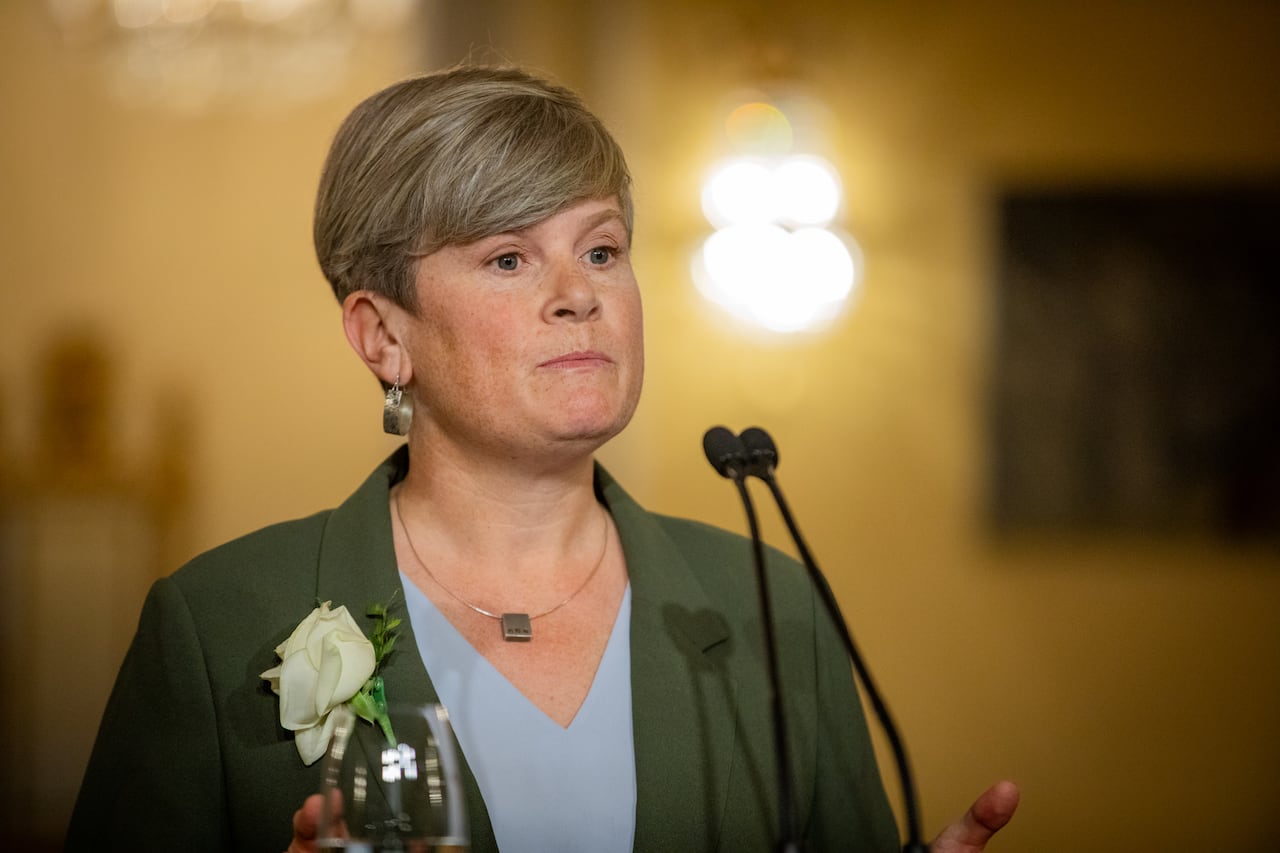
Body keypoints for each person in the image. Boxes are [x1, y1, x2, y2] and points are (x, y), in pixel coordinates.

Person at [67, 66, 1018, 852]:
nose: (579, 295)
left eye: (602, 250)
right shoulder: (214, 625)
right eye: (510, 259)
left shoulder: (770, 605)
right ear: (383, 337)